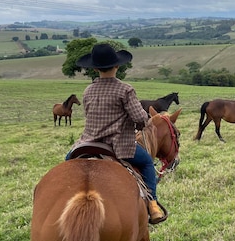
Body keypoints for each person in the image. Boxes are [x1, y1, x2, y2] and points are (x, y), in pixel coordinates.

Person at [68, 43, 166, 224]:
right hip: (118, 146)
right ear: (117, 66)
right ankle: (152, 204)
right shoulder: (125, 89)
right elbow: (139, 117)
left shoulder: (88, 90)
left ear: (95, 68)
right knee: (146, 163)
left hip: (88, 142)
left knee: (67, 163)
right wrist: (143, 120)